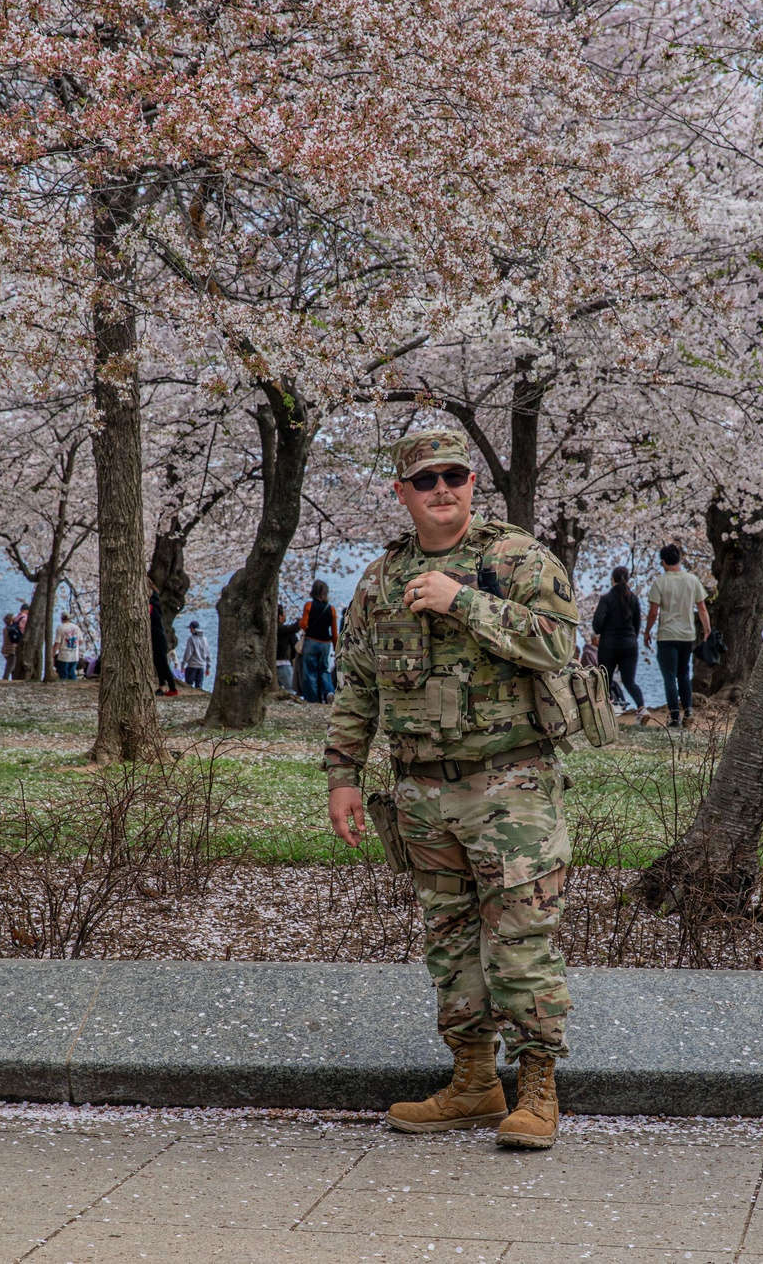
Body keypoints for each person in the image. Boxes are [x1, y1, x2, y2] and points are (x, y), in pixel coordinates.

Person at [325, 427, 579, 1149]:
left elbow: (560, 645)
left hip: (512, 786)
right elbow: (357, 686)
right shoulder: (379, 580)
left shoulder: (515, 558)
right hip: (422, 794)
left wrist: (462, 601)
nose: (443, 490)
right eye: (426, 480)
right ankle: (473, 1083)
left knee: (521, 943)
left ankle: (536, 1090)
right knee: (450, 942)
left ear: (473, 484)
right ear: (401, 492)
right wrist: (344, 774)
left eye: (455, 477)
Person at [644, 544, 710, 728]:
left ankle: (675, 717)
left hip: (667, 635)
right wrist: (707, 630)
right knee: (683, 674)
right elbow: (702, 608)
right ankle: (688, 710)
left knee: (669, 677)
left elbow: (653, 613)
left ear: (663, 562)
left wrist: (647, 631)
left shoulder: (660, 582)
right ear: (679, 559)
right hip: (687, 635)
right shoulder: (692, 580)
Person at [593, 566, 649, 725]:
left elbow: (597, 624)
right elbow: (637, 625)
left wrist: (603, 630)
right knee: (629, 681)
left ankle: (605, 715)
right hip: (629, 645)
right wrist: (631, 639)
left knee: (605, 681)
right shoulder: (634, 599)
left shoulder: (606, 599)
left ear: (613, 579)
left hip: (608, 645)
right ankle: (642, 709)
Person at [299, 580, 338, 703]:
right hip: (326, 643)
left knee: (310, 672)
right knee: (324, 670)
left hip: (311, 641)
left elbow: (303, 624)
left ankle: (313, 699)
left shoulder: (309, 606)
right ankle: (329, 692)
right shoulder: (331, 609)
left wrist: (309, 630)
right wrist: (336, 647)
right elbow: (335, 632)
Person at [147, 579, 178, 697]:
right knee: (158, 663)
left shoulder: (151, 606)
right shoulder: (155, 604)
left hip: (158, 639)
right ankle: (162, 686)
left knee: (163, 664)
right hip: (156, 639)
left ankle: (173, 688)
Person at [275, 604, 299, 691]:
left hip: (272, 665)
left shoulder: (270, 630)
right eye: (284, 614)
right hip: (283, 664)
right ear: (280, 617)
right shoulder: (283, 630)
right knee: (291, 689)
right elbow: (294, 628)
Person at [52, 612, 82, 680]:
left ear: (61, 618)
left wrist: (52, 655)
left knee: (63, 675)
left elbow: (57, 644)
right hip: (74, 655)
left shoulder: (60, 628)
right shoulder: (76, 627)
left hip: (64, 656)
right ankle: (74, 687)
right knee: (72, 674)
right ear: (69, 618)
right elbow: (80, 641)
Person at [182, 621, 211, 689]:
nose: (190, 630)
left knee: (188, 686)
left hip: (192, 666)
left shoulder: (191, 639)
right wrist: (208, 667)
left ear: (192, 628)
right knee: (199, 687)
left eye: (190, 628)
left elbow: (188, 653)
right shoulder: (205, 639)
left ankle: (188, 699)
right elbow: (208, 654)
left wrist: (183, 664)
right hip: (201, 667)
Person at [0, 613, 21, 680]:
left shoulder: (5, 629)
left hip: (5, 650)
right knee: (10, 667)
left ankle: (8, 679)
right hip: (10, 651)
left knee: (10, 666)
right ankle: (5, 679)